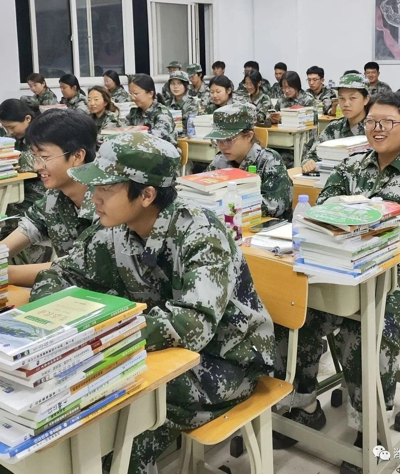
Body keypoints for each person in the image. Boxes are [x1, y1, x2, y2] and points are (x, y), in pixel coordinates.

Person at [28, 132, 275, 473]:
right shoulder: (113, 230)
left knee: (115, 425)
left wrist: (101, 335)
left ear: (146, 194)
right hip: (157, 355)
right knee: (75, 406)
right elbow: (60, 275)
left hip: (225, 361)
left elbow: (192, 324)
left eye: (106, 188)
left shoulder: (201, 235)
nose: (94, 197)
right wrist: (55, 323)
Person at [275, 92, 400, 453]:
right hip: (344, 266)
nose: (377, 128)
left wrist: (357, 218)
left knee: (368, 327)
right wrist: (370, 218)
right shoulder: (353, 164)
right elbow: (324, 210)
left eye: (387, 122)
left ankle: (370, 428)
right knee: (296, 313)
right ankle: (303, 405)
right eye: (372, 121)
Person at [0, 109, 97, 287]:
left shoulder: (107, 199)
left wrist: (4, 274)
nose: (37, 166)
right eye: (34, 156)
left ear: (78, 156)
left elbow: (83, 269)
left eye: (44, 157)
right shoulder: (55, 196)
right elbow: (28, 229)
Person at [205, 104, 292, 219]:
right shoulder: (220, 160)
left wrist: (228, 206)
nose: (222, 146)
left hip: (265, 225)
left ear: (249, 136)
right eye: (218, 140)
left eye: (228, 140)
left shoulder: (269, 161)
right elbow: (204, 192)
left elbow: (273, 207)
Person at [0, 99, 47, 263]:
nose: (10, 132)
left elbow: (35, 161)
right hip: (20, 190)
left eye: (12, 127)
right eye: (6, 128)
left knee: (8, 222)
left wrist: (9, 158)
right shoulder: (18, 137)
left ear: (28, 119)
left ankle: (31, 258)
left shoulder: (42, 134)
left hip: (38, 194)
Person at [301, 73, 370, 173]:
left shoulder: (375, 128)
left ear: (366, 100)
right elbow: (312, 154)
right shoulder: (334, 128)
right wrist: (309, 163)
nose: (346, 104)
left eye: (352, 98)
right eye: (342, 98)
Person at [126, 74, 177, 145]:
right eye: (130, 94)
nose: (132, 98)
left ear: (150, 93)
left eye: (136, 94)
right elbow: (124, 133)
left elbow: (158, 137)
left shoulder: (162, 113)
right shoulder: (133, 113)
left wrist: (136, 133)